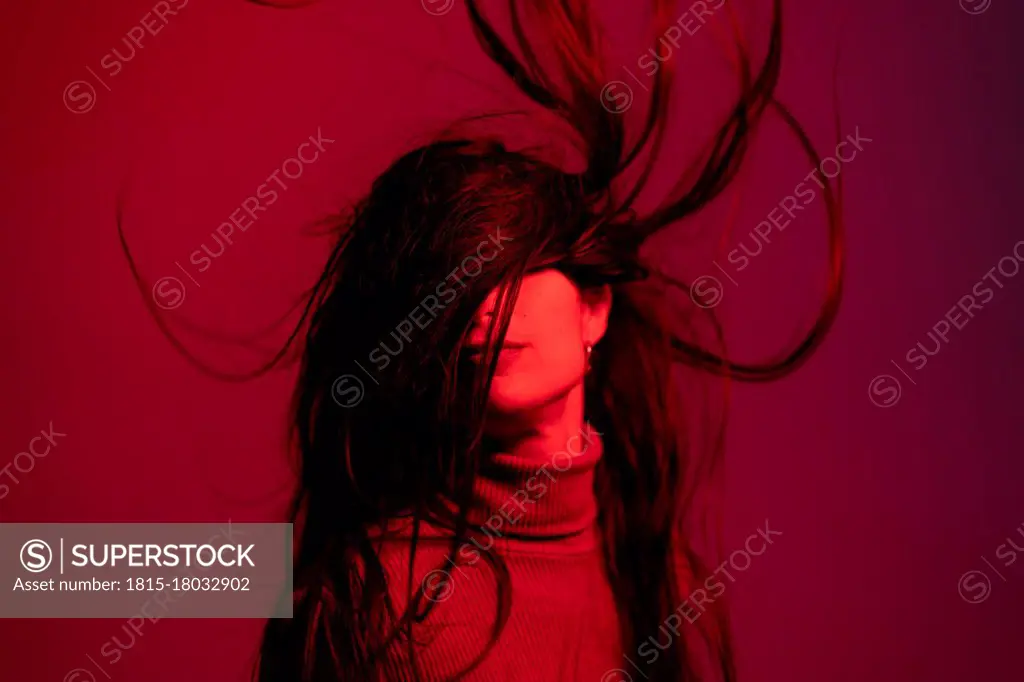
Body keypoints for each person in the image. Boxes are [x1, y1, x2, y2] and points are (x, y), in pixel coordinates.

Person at [121, 1, 842, 680]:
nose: (484, 309)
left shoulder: (656, 577)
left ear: (594, 308)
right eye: (454, 284)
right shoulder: (383, 599)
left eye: (516, 267)